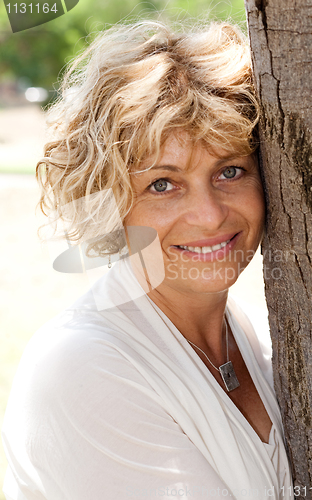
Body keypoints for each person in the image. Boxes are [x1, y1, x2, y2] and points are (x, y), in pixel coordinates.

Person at [2, 20, 294, 500]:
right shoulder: (81, 369)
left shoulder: (254, 336)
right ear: (110, 203)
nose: (209, 214)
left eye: (230, 171)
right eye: (163, 184)